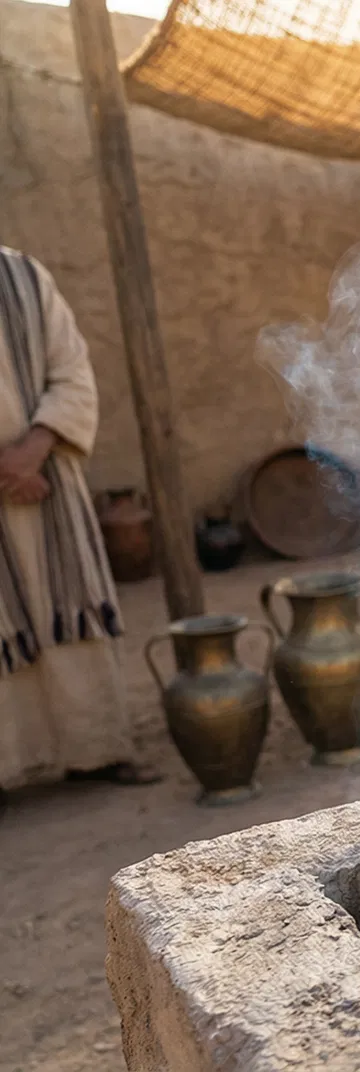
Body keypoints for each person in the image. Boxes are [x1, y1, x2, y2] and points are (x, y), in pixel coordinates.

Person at [0, 247, 155, 812]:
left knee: (74, 608)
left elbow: (72, 374)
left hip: (46, 481)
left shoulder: (23, 275)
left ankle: (98, 750)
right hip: (22, 478)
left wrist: (33, 449)